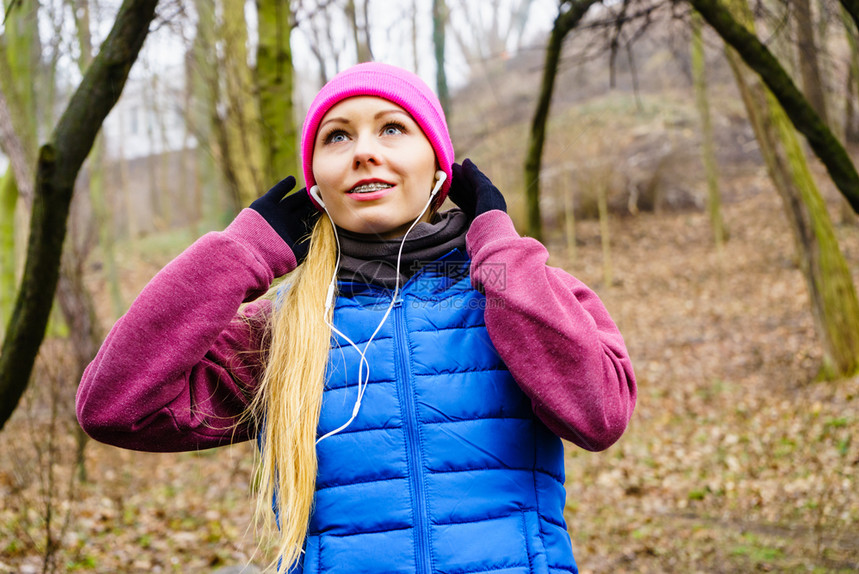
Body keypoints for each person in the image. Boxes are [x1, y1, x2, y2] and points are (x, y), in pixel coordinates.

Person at [77, 62, 636, 574]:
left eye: (392, 128)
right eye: (337, 135)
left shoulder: (521, 292)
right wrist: (239, 255)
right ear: (317, 181)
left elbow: (600, 414)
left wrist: (499, 248)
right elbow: (112, 407)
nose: (363, 152)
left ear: (440, 166)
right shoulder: (282, 329)